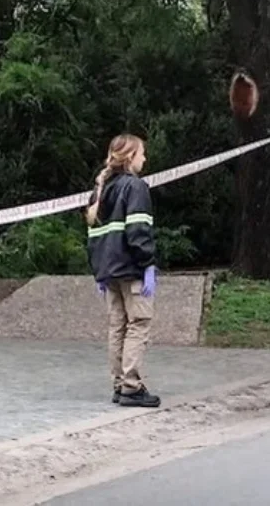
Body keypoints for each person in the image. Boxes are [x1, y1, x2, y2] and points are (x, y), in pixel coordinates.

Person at [85, 134, 160, 407]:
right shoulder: (135, 187)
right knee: (138, 325)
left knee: (117, 327)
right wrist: (148, 264)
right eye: (142, 153)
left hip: (108, 272)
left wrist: (98, 271)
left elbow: (93, 237)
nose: (145, 159)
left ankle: (119, 385)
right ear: (130, 157)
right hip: (131, 269)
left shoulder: (100, 190)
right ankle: (132, 386)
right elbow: (138, 230)